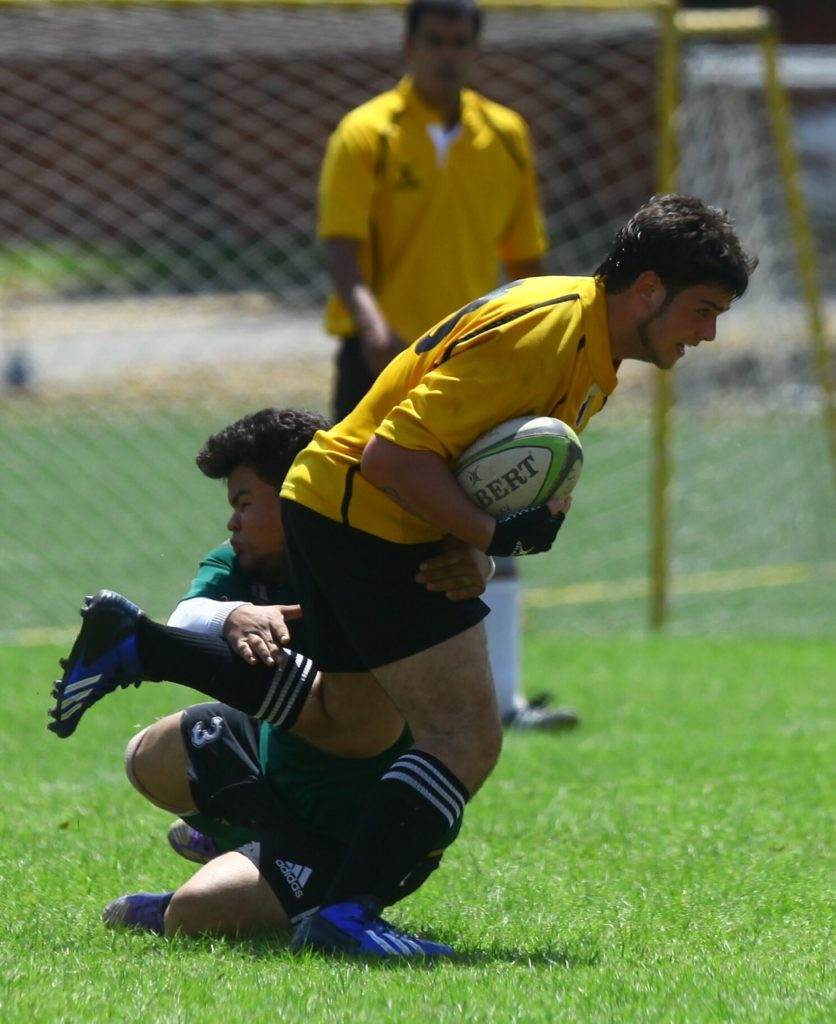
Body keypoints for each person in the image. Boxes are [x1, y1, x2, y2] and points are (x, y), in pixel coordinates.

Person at [51, 194, 757, 958]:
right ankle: (348, 914)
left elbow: (479, 467)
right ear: (647, 290)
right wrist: (490, 535)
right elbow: (394, 459)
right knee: (464, 735)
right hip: (369, 518)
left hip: (335, 503)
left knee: (352, 720)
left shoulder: (584, 336)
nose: (709, 333)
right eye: (703, 309)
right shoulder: (546, 336)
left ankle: (145, 648)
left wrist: (479, 544)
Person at [50, 408, 493, 941]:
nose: (232, 522)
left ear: (298, 496)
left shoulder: (371, 555)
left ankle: (265, 889)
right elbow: (187, 616)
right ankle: (250, 842)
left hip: (355, 826)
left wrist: (477, 560)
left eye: (243, 504)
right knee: (148, 755)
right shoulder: (240, 561)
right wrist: (230, 615)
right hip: (281, 771)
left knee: (194, 916)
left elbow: (446, 565)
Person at [318, 0, 568, 730]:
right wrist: (373, 327)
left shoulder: (507, 137)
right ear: (409, 44)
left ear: (475, 50)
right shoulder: (366, 133)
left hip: (477, 366)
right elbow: (341, 246)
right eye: (435, 41)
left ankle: (504, 698)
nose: (447, 55)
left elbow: (527, 262)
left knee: (502, 502)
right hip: (382, 363)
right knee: (362, 528)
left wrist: (539, 340)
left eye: (461, 42)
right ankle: (356, 697)